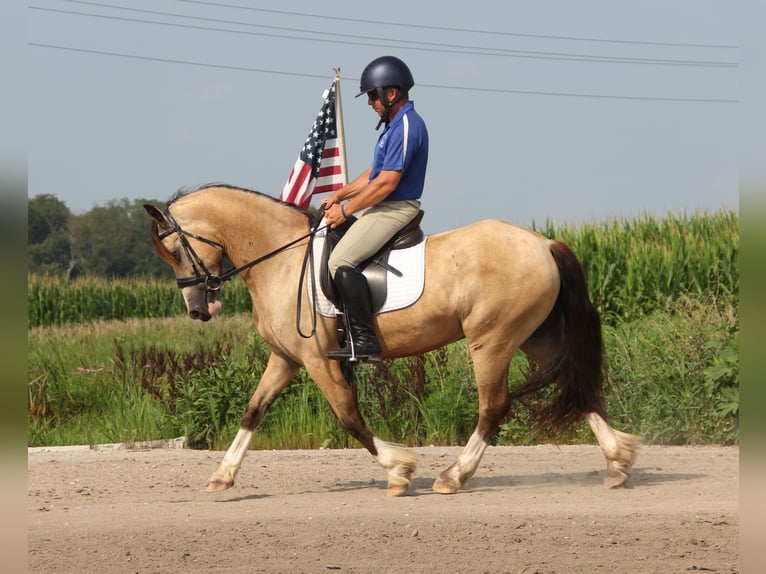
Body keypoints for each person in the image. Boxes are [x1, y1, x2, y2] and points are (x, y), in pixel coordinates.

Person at [322, 55, 429, 362]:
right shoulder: (394, 127)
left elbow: (386, 183)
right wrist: (340, 194)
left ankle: (364, 340)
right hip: (384, 205)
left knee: (340, 261)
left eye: (372, 95)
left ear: (390, 93)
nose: (370, 103)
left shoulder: (408, 125)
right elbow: (373, 173)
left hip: (396, 207)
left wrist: (345, 211)